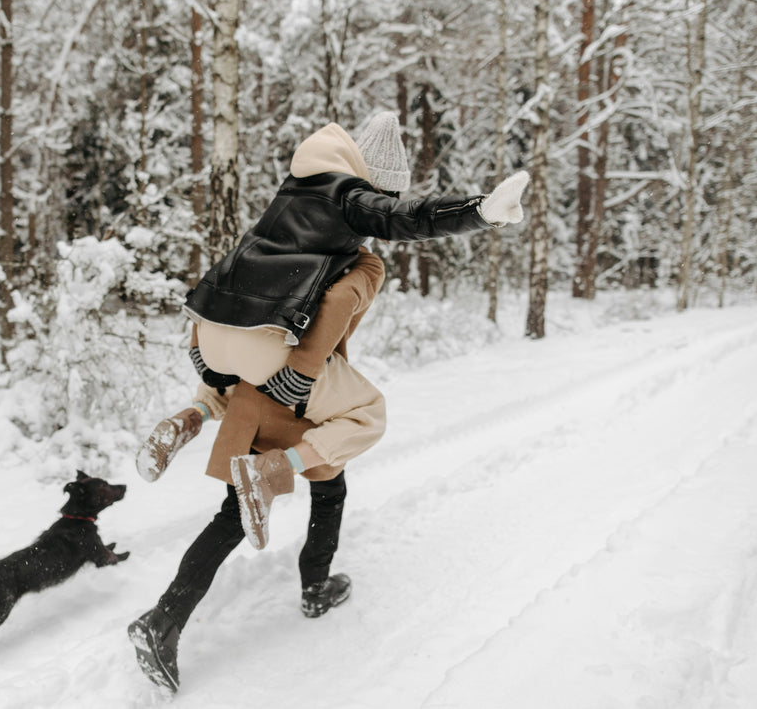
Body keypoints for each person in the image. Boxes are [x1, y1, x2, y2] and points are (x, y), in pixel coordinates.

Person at [128, 111, 528, 693]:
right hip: (288, 364)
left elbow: (238, 262)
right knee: (364, 417)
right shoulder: (354, 225)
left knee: (271, 493)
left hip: (217, 333)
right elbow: (391, 232)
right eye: (378, 192)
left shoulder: (292, 196)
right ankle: (296, 536)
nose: (373, 211)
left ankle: (165, 613)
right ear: (369, 180)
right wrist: (479, 210)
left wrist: (202, 343)